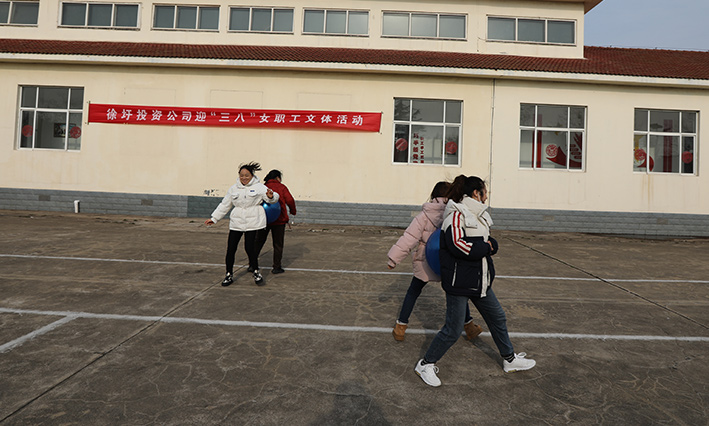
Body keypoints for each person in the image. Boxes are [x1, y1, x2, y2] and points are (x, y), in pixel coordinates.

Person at [414, 175, 536, 387]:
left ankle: (509, 359)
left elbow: (486, 241)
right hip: (460, 283)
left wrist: (490, 245)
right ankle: (425, 364)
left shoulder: (479, 215)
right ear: (475, 193)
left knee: (497, 317)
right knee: (453, 330)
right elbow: (458, 245)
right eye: (484, 192)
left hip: (479, 281)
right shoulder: (455, 215)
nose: (487, 196)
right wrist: (486, 247)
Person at [387, 181, 482, 342]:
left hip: (426, 261)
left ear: (434, 195)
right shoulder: (454, 213)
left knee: (413, 292)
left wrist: (393, 259)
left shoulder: (423, 216)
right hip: (448, 261)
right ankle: (469, 326)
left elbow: (409, 238)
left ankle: (400, 327)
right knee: (456, 291)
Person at [204, 162, 279, 287]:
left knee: (249, 248)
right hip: (237, 222)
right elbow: (225, 204)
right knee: (231, 249)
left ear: (252, 175)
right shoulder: (234, 188)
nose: (244, 178)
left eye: (247, 175)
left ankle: (256, 272)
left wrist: (271, 196)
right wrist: (214, 218)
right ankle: (228, 274)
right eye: (242, 175)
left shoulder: (259, 187)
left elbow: (273, 197)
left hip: (253, 222)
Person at [255, 169, 297, 274]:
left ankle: (252, 265)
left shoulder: (263, 187)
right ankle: (276, 267)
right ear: (278, 178)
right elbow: (290, 200)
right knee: (278, 244)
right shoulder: (282, 187)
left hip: (264, 219)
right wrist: (293, 211)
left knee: (259, 242)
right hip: (279, 220)